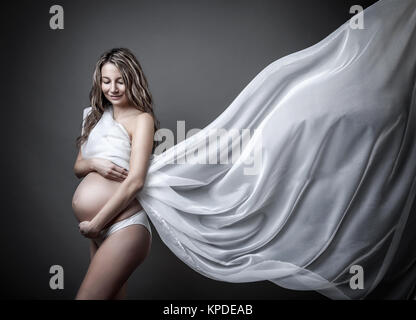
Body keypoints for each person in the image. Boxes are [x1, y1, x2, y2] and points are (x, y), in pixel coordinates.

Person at [73, 47, 159, 299]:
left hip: (124, 226)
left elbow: (135, 181)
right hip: (98, 229)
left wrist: (96, 225)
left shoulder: (142, 119)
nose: (113, 88)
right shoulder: (92, 117)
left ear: (132, 80)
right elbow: (78, 166)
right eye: (106, 81)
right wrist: (95, 164)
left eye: (120, 81)